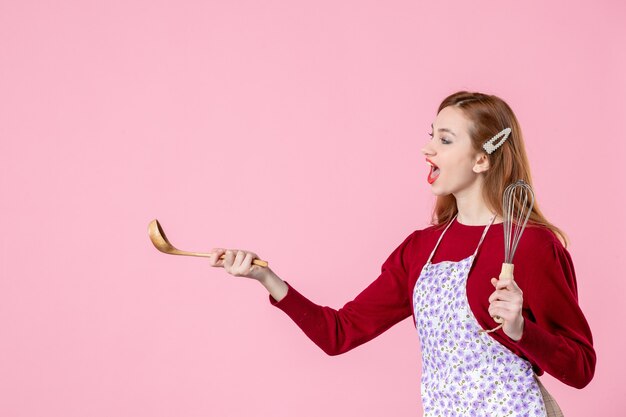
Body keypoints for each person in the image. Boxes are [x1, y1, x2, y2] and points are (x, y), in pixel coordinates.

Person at [207, 91, 596, 416]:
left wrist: (520, 330)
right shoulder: (420, 249)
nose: (427, 149)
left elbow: (581, 368)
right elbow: (338, 334)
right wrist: (266, 278)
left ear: (483, 159)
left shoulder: (530, 245)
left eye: (445, 140)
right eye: (431, 136)